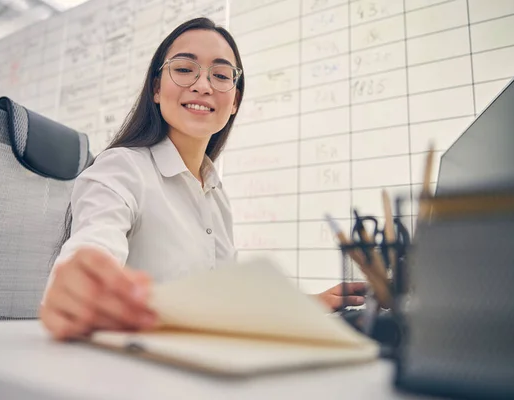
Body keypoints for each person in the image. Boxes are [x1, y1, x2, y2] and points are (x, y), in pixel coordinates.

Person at [40, 17, 366, 341]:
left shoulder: (215, 193)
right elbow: (94, 246)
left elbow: (223, 301)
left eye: (221, 75)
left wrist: (306, 304)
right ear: (156, 88)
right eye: (184, 69)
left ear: (235, 101)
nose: (203, 85)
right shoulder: (120, 169)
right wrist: (78, 283)